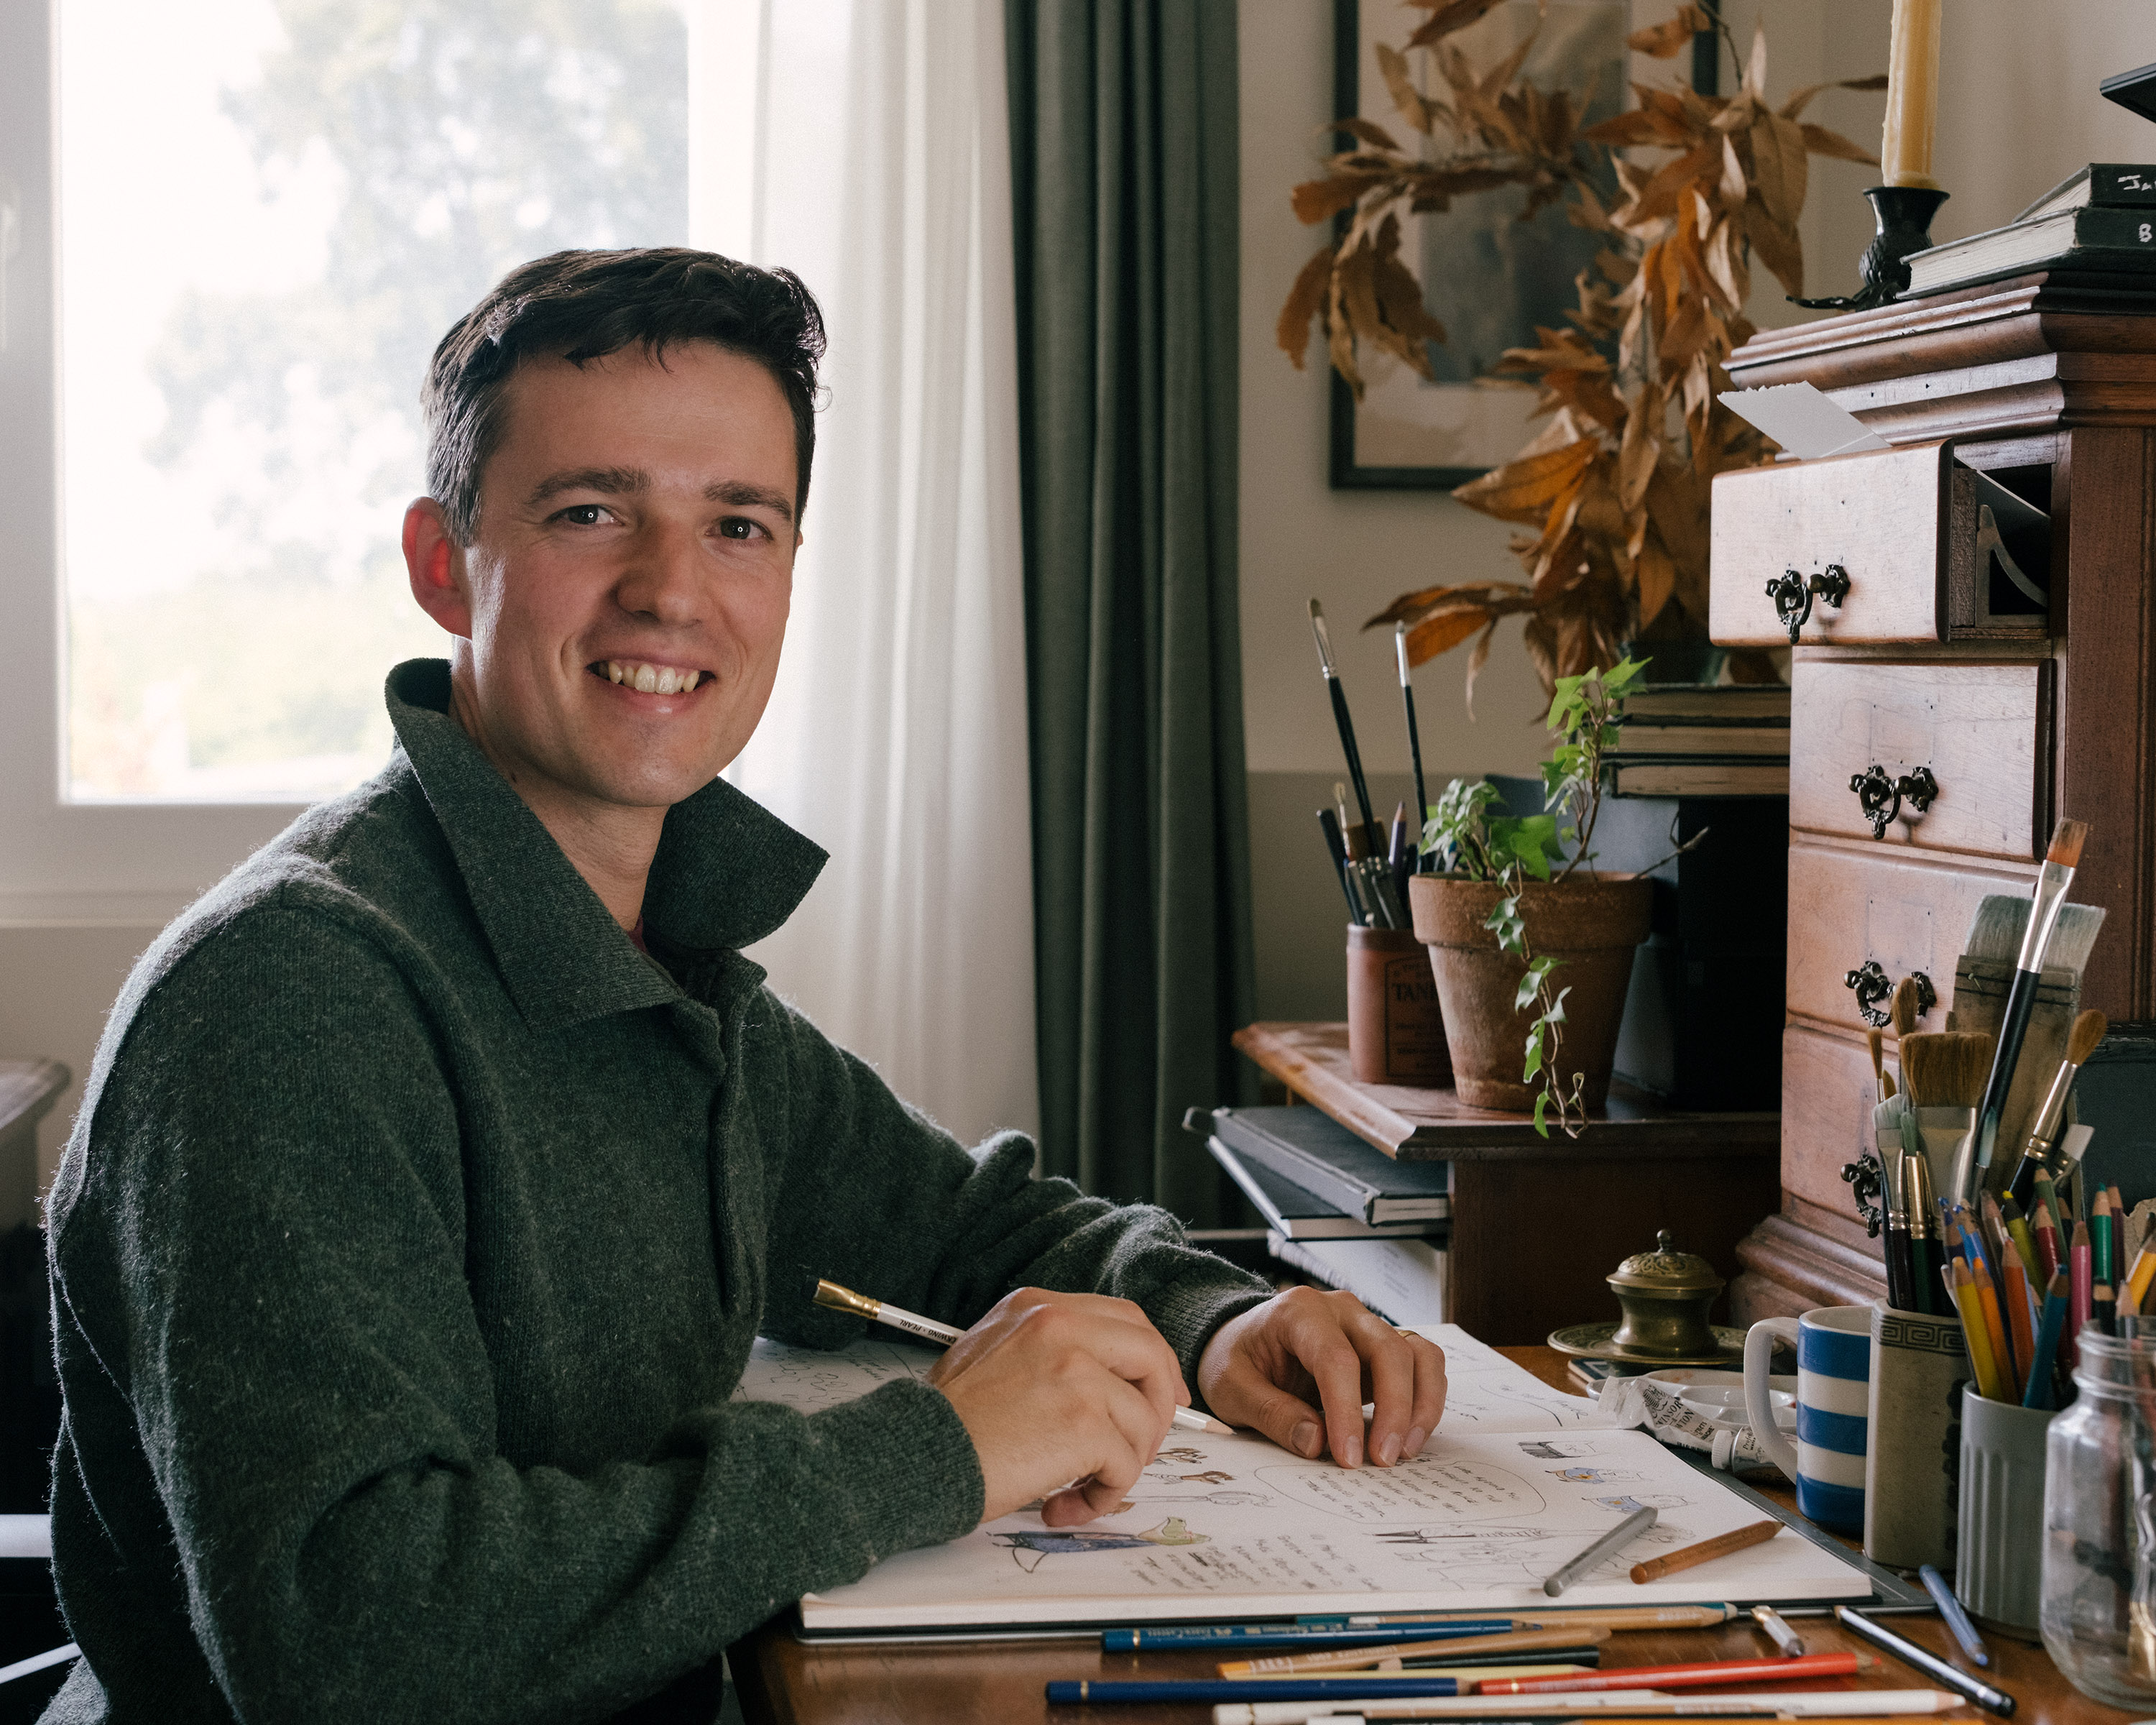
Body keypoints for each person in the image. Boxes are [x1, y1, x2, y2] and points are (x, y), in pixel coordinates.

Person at [40, 249, 1447, 1724]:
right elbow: (353, 1637)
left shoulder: (648, 959)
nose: (672, 593)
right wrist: (939, 1451)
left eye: (738, 526)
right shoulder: (287, 998)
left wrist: (1219, 1323)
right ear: (442, 561)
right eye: (591, 513)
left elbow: (956, 1224)